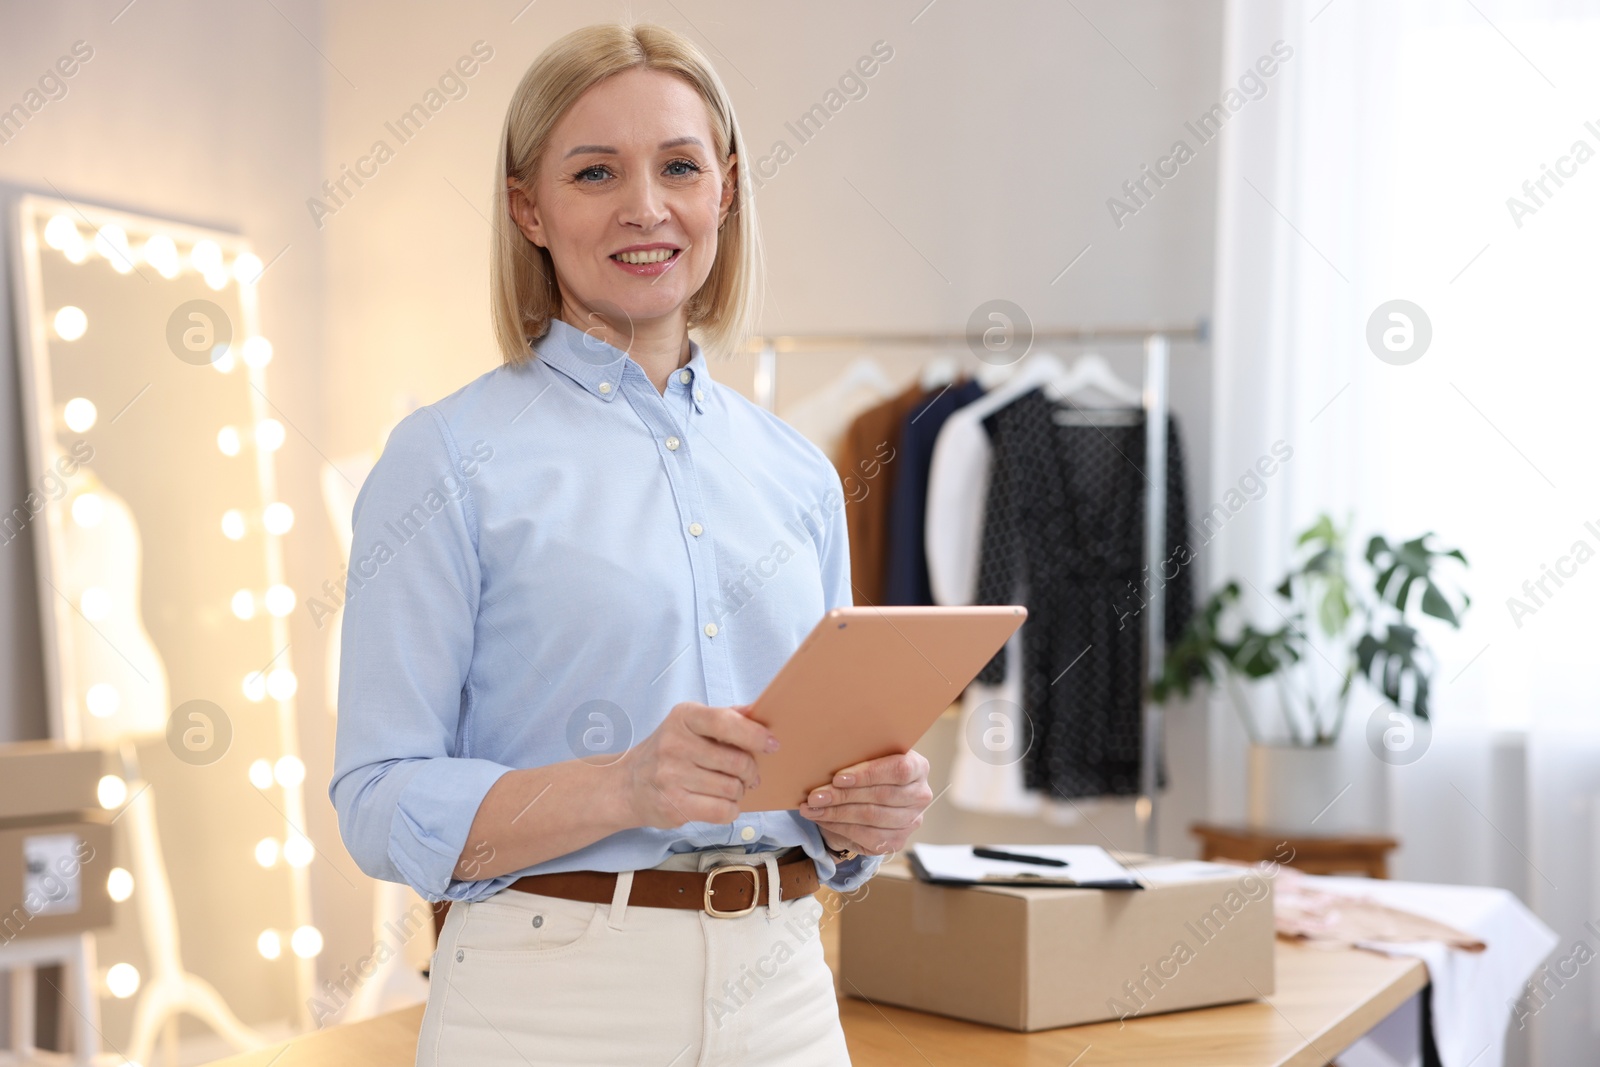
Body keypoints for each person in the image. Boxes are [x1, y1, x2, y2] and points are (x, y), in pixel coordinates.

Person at [328, 21, 934, 1066]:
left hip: (786, 988)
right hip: (547, 1001)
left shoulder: (794, 471)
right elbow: (377, 800)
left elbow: (826, 780)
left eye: (679, 167)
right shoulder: (445, 459)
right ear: (529, 206)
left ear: (726, 190)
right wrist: (622, 786)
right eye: (595, 171)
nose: (645, 207)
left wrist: (858, 819)